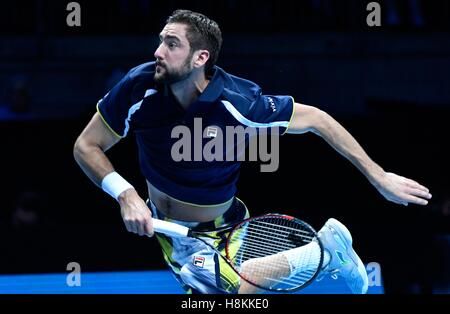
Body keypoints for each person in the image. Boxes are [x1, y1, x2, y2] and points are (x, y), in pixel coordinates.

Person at [73, 9, 432, 294]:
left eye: (171, 44)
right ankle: (322, 255)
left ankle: (322, 253)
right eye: (161, 41)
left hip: (215, 228)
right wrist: (126, 195)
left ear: (200, 57)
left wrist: (379, 176)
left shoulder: (239, 104)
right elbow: (87, 146)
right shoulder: (140, 86)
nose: (158, 52)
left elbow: (317, 119)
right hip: (166, 226)